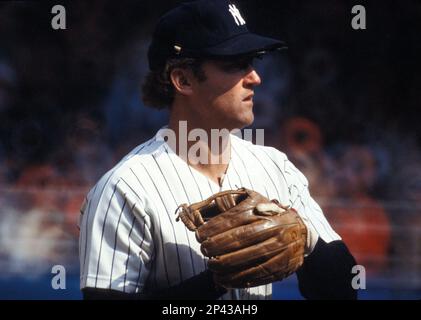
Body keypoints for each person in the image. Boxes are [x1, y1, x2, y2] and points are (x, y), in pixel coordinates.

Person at [79, 0, 357, 300]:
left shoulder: (275, 167)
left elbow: (344, 291)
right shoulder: (125, 188)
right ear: (183, 79)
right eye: (235, 64)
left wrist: (305, 237)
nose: (254, 77)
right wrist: (216, 282)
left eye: (252, 62)